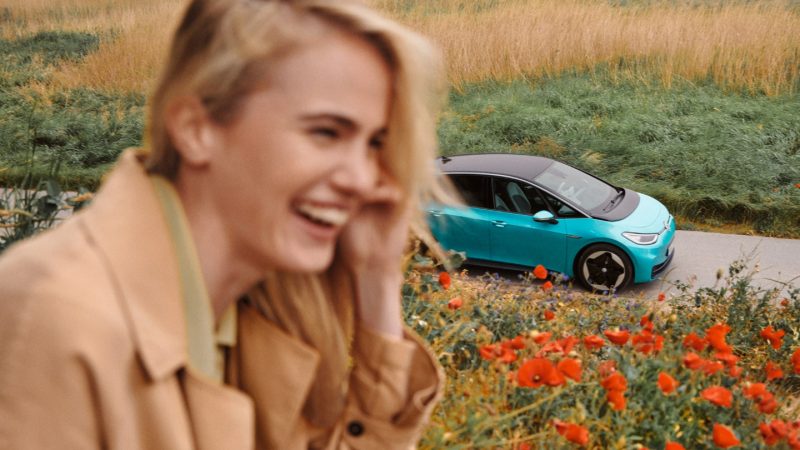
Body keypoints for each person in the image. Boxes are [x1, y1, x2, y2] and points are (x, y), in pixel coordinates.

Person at [0, 0, 448, 448]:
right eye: (326, 132)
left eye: (375, 143)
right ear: (196, 129)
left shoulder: (255, 315)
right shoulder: (54, 319)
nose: (363, 179)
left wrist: (377, 277)